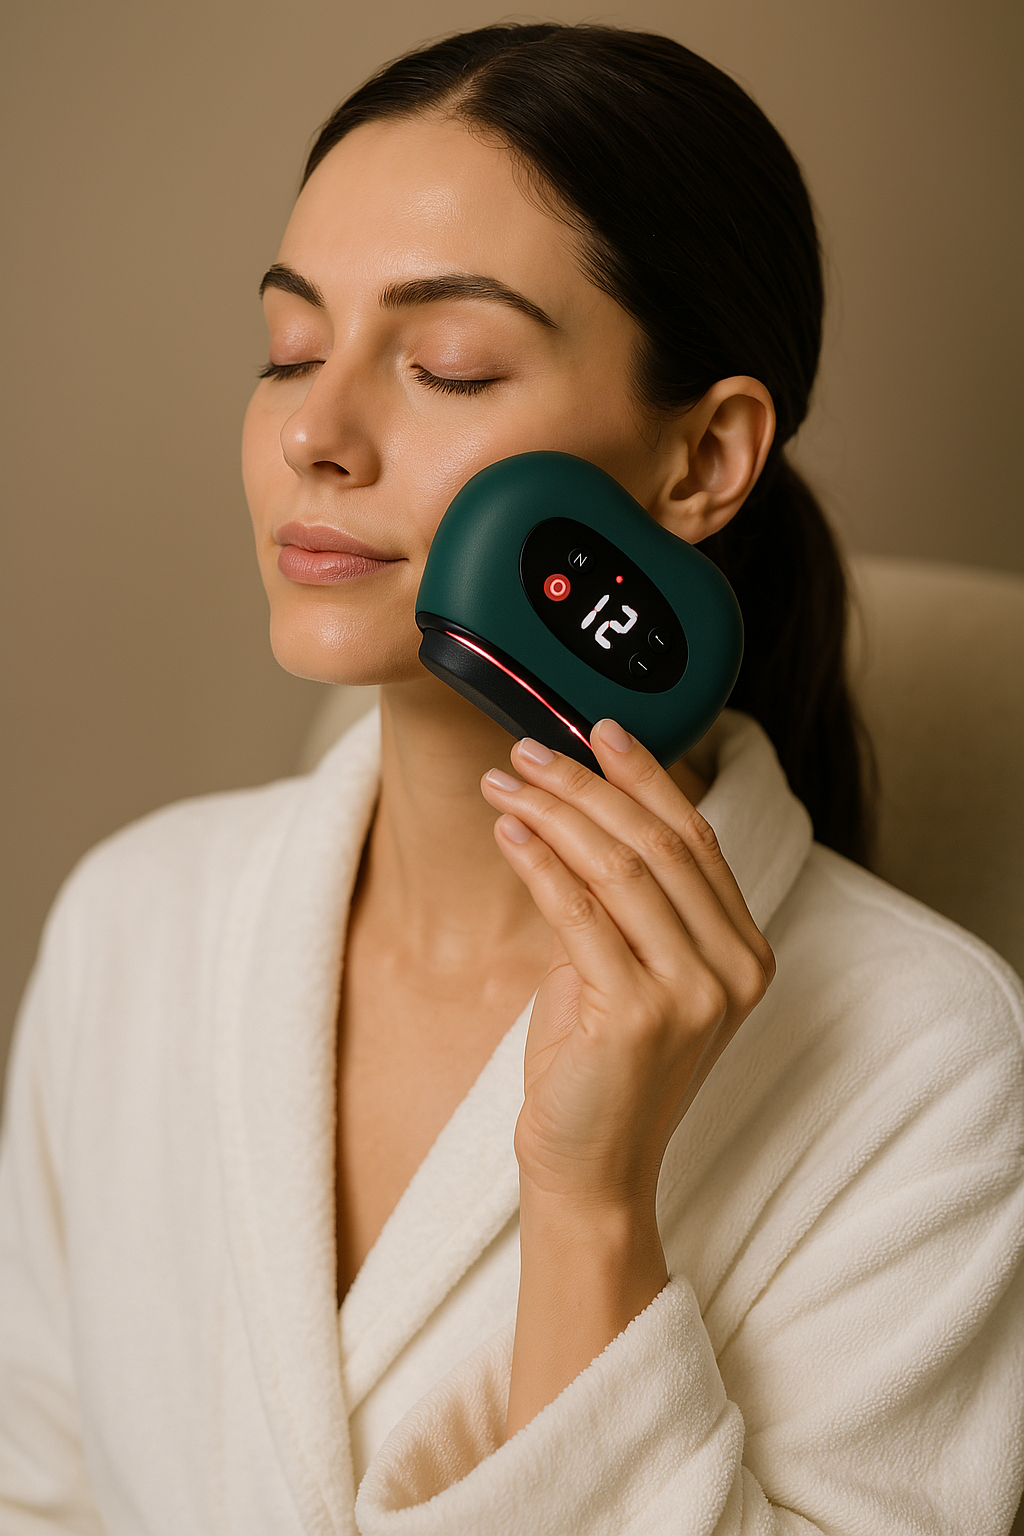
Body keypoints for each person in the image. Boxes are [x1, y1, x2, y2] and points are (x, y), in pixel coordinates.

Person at [1, 22, 1021, 1535]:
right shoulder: (135, 923)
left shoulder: (932, 1062)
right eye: (289, 349)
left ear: (706, 459)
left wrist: (591, 1204)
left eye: (449, 367)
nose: (315, 433)